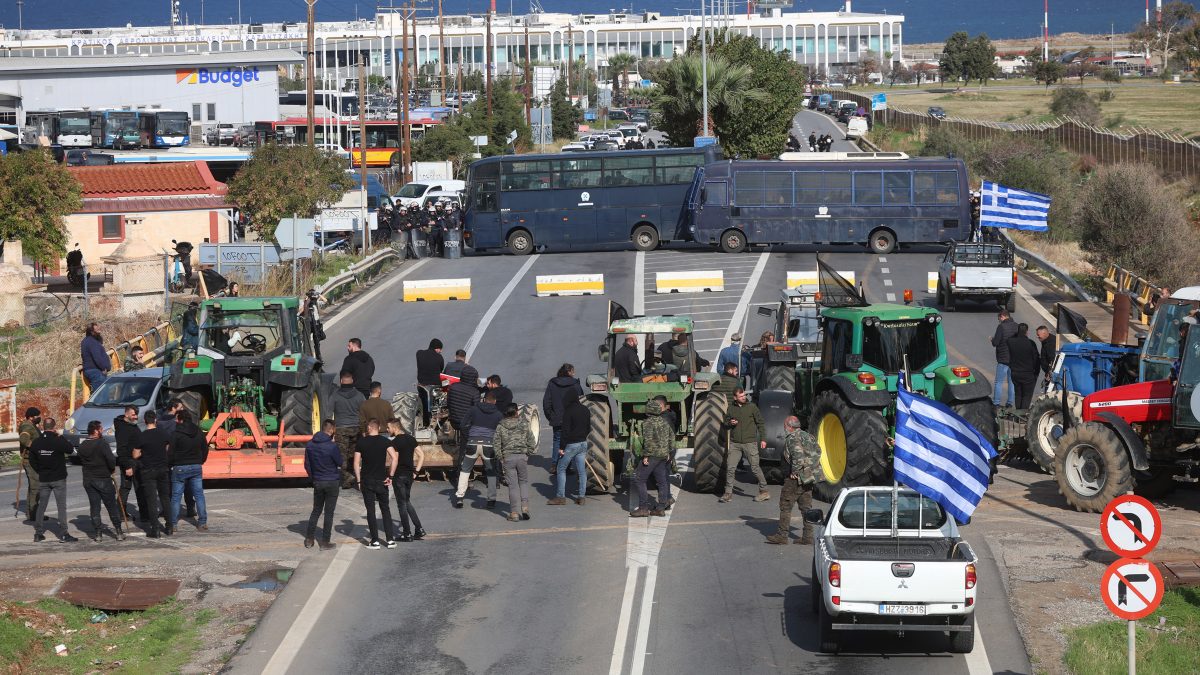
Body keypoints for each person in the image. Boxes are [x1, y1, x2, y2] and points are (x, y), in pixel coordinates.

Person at [766, 417, 821, 545]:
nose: (784, 428)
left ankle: (782, 535)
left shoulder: (792, 437)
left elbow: (798, 455)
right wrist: (809, 468)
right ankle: (808, 537)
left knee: (785, 505)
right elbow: (818, 452)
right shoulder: (808, 436)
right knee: (806, 507)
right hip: (808, 478)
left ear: (789, 426)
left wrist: (795, 472)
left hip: (795, 479)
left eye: (785, 425)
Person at [30, 418, 78, 543]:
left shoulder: (36, 442)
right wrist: (61, 436)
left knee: (41, 506)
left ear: (43, 427)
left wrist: (40, 470)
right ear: (54, 427)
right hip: (58, 478)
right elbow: (70, 449)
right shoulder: (57, 440)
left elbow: (32, 460)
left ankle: (38, 533)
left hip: (44, 478)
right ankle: (63, 534)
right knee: (61, 507)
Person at [77, 420, 125, 542]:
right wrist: (111, 468)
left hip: (88, 480)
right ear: (95, 431)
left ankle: (98, 533)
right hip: (103, 479)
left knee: (95, 507)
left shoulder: (82, 445)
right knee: (111, 506)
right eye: (100, 428)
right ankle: (118, 531)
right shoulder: (102, 443)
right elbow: (111, 460)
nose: (102, 430)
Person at [454, 391, 503, 509]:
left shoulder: (473, 409)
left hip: (472, 443)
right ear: (495, 401)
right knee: (491, 472)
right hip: (489, 446)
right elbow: (502, 431)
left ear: (483, 399)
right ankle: (491, 500)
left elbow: (462, 425)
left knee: (465, 470)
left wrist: (470, 435)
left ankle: (460, 497)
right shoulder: (498, 414)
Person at [720, 388, 769, 503]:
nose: (744, 397)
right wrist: (730, 423)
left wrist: (763, 439)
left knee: (755, 468)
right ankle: (728, 493)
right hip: (735, 443)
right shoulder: (731, 408)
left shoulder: (752, 407)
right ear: (735, 398)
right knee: (731, 468)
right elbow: (725, 424)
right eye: (741, 396)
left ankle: (764, 491)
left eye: (744, 395)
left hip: (750, 443)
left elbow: (760, 423)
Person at [355, 418, 398, 549]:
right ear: (378, 428)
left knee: (371, 511)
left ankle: (375, 541)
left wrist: (358, 480)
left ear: (368, 428)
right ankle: (390, 540)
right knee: (385, 510)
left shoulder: (361, 442)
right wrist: (391, 475)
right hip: (382, 480)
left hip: (367, 480)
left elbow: (356, 463)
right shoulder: (385, 441)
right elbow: (395, 458)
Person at [631, 399, 675, 517]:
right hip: (663, 455)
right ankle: (661, 507)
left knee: (640, 479)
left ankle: (643, 508)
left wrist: (646, 456)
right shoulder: (664, 421)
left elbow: (649, 441)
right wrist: (669, 452)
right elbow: (672, 438)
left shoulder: (647, 423)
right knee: (662, 481)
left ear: (648, 411)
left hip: (653, 456)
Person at [304, 419, 342, 550]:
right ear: (331, 430)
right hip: (332, 481)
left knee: (316, 510)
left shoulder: (310, 444)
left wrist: (313, 477)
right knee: (329, 513)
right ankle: (325, 542)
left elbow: (307, 465)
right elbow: (340, 462)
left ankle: (309, 539)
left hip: (318, 481)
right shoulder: (332, 446)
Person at [493, 404, 535, 522]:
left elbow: (496, 444)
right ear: (516, 412)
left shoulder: (500, 426)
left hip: (508, 458)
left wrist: (500, 458)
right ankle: (525, 507)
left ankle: (514, 512)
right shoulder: (524, 424)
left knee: (512, 486)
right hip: (522, 457)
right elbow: (531, 441)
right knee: (523, 482)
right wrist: (528, 454)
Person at [169, 409, 208, 531]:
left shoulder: (176, 433)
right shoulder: (199, 432)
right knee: (199, 495)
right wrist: (200, 461)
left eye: (177, 418)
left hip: (180, 467)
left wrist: (170, 464)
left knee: (176, 496)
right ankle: (202, 523)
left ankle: (173, 524)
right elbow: (205, 449)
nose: (175, 421)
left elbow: (170, 452)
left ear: (181, 419)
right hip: (196, 466)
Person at [134, 411, 172, 538]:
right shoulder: (163, 433)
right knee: (165, 498)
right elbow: (167, 448)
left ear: (145, 421)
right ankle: (169, 526)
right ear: (155, 420)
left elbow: (135, 454)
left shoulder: (142, 436)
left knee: (151, 501)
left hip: (148, 470)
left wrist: (143, 453)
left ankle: (155, 529)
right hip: (162, 468)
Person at [387, 418, 425, 541]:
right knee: (407, 502)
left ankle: (407, 533)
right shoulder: (411, 439)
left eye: (388, 428)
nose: (387, 430)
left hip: (399, 476)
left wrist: (390, 475)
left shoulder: (395, 442)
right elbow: (421, 455)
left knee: (401, 505)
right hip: (409, 475)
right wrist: (416, 471)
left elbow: (395, 460)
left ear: (394, 427)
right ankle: (419, 529)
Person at [550, 394, 590, 506]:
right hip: (583, 443)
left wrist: (562, 447)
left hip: (571, 445)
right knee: (581, 471)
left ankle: (560, 497)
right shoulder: (585, 409)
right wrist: (582, 438)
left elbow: (565, 431)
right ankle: (581, 497)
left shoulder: (568, 412)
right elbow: (589, 427)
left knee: (561, 468)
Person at [542, 364, 584, 472]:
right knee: (570, 442)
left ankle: (555, 465)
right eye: (573, 371)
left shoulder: (552, 383)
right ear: (569, 372)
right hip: (573, 419)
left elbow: (546, 402)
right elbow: (581, 401)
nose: (574, 373)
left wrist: (551, 416)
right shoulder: (575, 384)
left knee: (557, 440)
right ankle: (566, 466)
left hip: (557, 419)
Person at [332, 370, 365, 490]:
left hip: (341, 429)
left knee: (342, 455)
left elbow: (328, 412)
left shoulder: (335, 395)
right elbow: (364, 412)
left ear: (341, 381)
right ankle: (354, 477)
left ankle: (347, 478)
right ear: (353, 381)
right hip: (356, 428)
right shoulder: (359, 395)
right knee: (354, 454)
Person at [113, 405, 144, 523]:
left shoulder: (132, 425)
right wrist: (127, 466)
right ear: (126, 414)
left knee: (139, 487)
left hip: (136, 461)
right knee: (126, 488)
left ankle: (144, 512)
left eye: (136, 414)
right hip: (129, 462)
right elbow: (121, 450)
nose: (135, 416)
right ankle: (121, 513)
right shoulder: (123, 428)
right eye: (133, 414)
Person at [447, 364, 482, 460]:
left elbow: (448, 404)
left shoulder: (452, 387)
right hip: (466, 425)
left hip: (453, 422)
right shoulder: (474, 392)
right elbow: (476, 412)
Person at [1007, 323, 1043, 411]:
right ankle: (1022, 414)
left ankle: (1018, 413)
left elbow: (1009, 338)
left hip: (1015, 372)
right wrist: (1036, 373)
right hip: (1028, 373)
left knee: (1018, 394)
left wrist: (1017, 334)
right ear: (1026, 332)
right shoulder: (1030, 343)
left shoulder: (1011, 342)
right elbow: (1036, 359)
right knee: (1027, 395)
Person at [990, 310, 1018, 408]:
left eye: (999, 319)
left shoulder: (1001, 327)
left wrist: (992, 339)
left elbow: (996, 342)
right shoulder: (1016, 326)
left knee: (999, 382)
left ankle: (996, 403)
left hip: (1003, 358)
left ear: (1002, 316)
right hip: (1014, 358)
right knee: (1012, 382)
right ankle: (1010, 403)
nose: (999, 321)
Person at [18, 407, 41, 523]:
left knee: (34, 487)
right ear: (31, 417)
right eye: (37, 416)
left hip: (34, 460)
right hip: (29, 461)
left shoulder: (32, 425)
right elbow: (23, 439)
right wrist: (36, 447)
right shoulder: (27, 426)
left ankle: (33, 512)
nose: (39, 418)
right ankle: (34, 514)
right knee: (35, 487)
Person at [81, 322, 110, 388]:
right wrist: (103, 368)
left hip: (91, 371)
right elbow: (97, 357)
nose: (99, 329)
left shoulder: (86, 341)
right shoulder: (92, 342)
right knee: (102, 395)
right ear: (92, 331)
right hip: (96, 371)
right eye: (97, 328)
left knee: (99, 394)